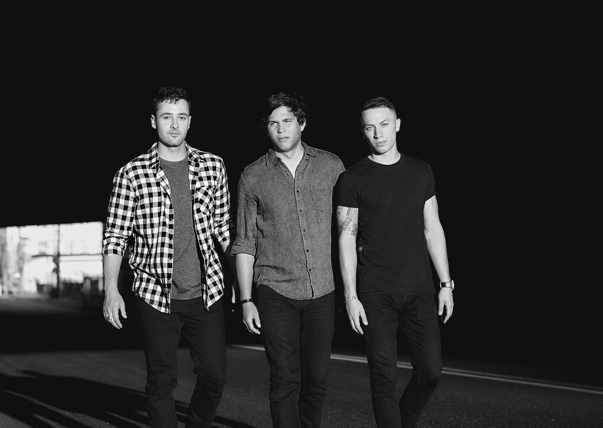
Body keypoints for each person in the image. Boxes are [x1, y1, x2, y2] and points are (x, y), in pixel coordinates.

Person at [102, 86, 232, 428]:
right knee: (161, 381)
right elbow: (115, 236)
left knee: (214, 376)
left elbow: (223, 228)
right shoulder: (131, 173)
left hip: (207, 291)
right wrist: (111, 290)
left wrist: (241, 280)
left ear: (190, 121)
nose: (174, 125)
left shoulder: (213, 166)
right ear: (153, 121)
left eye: (181, 117)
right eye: (166, 117)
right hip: (155, 293)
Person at [336, 97, 454, 428]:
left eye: (384, 124)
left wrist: (446, 283)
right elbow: (346, 238)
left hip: (419, 288)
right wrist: (350, 296)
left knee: (430, 372)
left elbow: (433, 229)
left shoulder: (420, 171)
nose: (378, 133)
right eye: (370, 127)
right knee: (383, 378)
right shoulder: (353, 178)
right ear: (363, 131)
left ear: (398, 125)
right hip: (375, 291)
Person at [232, 92, 344, 428]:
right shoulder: (253, 176)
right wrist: (246, 300)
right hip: (274, 289)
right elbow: (245, 241)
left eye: (288, 121)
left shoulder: (331, 166)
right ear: (266, 128)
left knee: (316, 379)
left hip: (322, 288)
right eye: (273, 123)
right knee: (285, 376)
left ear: (302, 123)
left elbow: (349, 229)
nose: (281, 129)